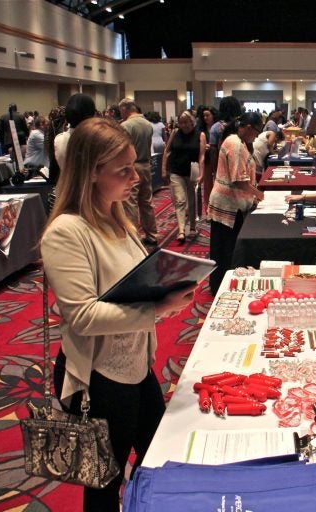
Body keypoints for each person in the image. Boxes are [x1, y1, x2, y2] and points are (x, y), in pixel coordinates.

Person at [41, 117, 194, 511]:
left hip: (135, 366)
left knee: (157, 458)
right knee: (104, 486)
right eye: (122, 170)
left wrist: (169, 281)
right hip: (99, 376)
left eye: (133, 166)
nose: (135, 177)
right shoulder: (66, 231)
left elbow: (131, 282)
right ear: (91, 173)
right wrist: (156, 308)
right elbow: (84, 316)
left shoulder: (116, 217)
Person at [207, 112, 265, 295]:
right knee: (226, 249)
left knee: (222, 247)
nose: (256, 136)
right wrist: (260, 195)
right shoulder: (235, 144)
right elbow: (239, 180)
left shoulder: (235, 141)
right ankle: (221, 287)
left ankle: (219, 284)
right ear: (248, 128)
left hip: (229, 202)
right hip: (229, 205)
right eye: (256, 132)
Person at [119, 98, 157, 247]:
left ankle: (134, 236)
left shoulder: (125, 125)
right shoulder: (148, 124)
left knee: (131, 202)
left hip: (132, 167)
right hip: (146, 165)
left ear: (125, 109)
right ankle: (152, 234)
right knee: (147, 201)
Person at [162, 111, 201, 242]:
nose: (184, 125)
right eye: (181, 122)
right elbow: (167, 151)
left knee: (191, 199)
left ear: (192, 122)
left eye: (186, 122)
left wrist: (201, 174)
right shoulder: (174, 133)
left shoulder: (199, 134)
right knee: (180, 200)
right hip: (176, 171)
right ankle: (181, 230)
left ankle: (193, 227)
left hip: (192, 171)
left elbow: (201, 156)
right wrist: (164, 169)